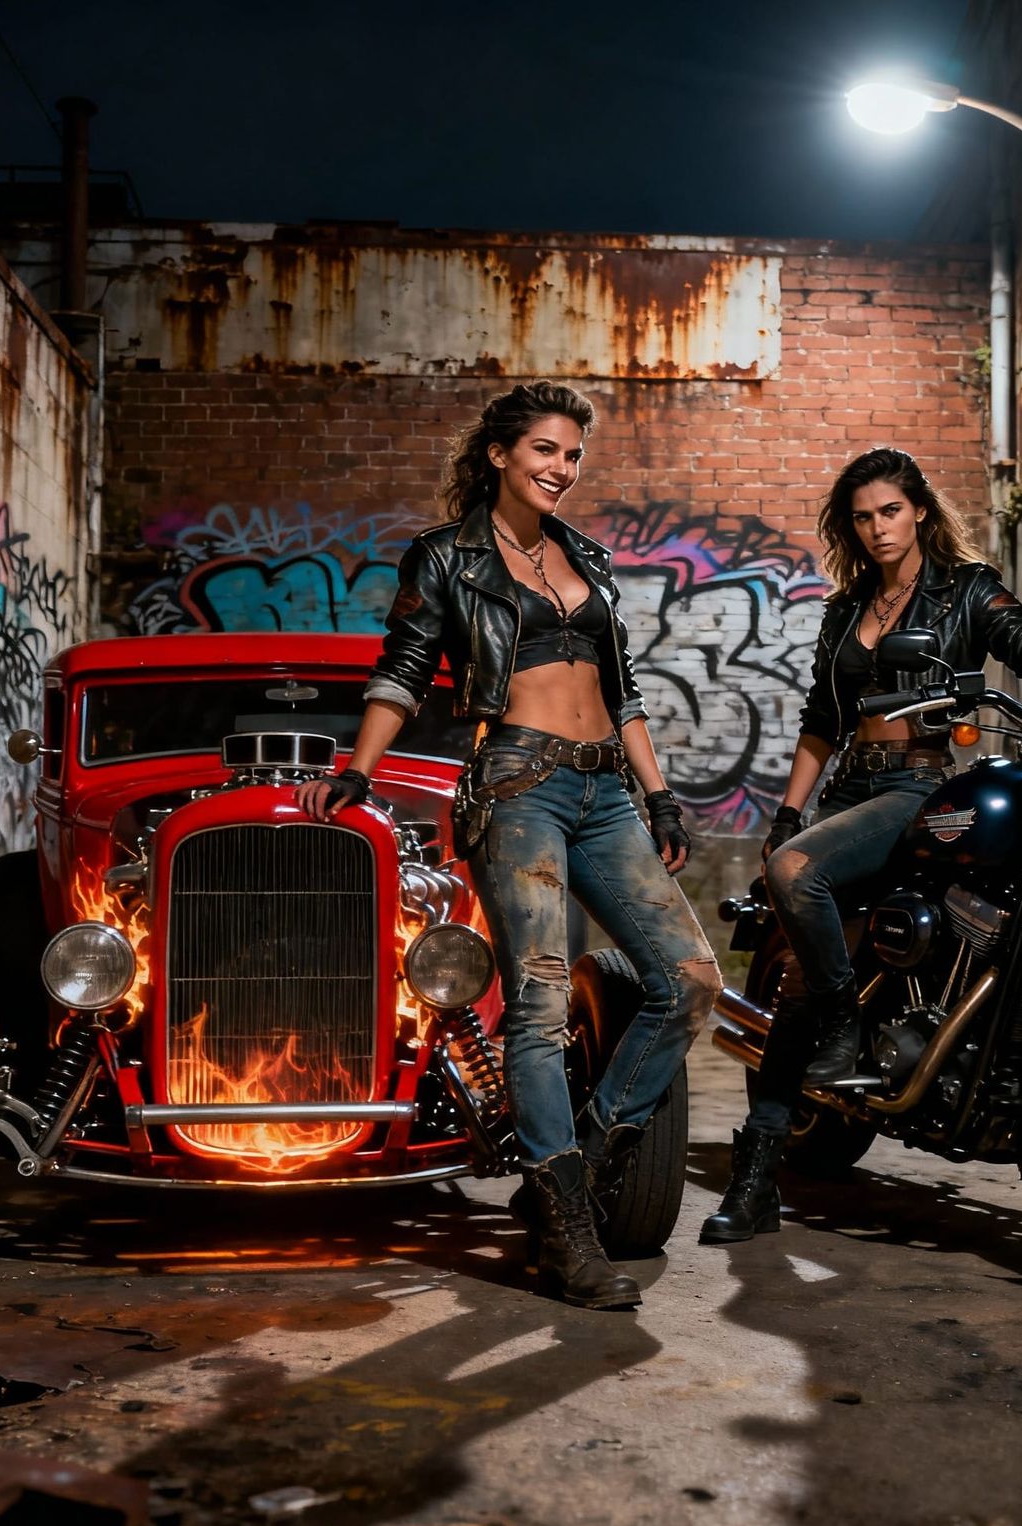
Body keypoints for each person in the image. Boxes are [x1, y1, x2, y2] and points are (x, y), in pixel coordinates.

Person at [700, 447, 1022, 1245]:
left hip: (914, 786)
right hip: (848, 788)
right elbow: (822, 723)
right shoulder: (846, 609)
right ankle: (759, 1175)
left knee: (803, 884)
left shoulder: (964, 590)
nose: (877, 528)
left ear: (919, 510)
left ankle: (849, 1032)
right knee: (795, 952)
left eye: (890, 511)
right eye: (862, 517)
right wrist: (789, 813)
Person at [298, 381, 721, 1309]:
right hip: (517, 785)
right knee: (534, 998)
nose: (561, 470)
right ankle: (568, 1226)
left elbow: (627, 691)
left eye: (572, 455)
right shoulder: (447, 557)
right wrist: (359, 771)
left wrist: (660, 798)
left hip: (606, 785)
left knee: (689, 979)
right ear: (499, 454)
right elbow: (404, 671)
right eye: (544, 451)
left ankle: (581, 1165)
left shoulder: (590, 561)